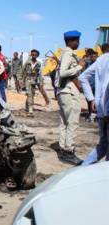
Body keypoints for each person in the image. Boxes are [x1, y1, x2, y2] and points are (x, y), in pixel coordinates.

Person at [56, 30, 86, 165]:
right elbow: (63, 73)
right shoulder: (68, 53)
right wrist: (79, 66)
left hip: (63, 91)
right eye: (77, 41)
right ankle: (69, 151)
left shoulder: (64, 53)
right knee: (72, 121)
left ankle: (63, 149)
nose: (78, 43)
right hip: (68, 91)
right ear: (70, 41)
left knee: (64, 122)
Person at [80, 43, 109, 165]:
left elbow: (82, 77)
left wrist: (92, 99)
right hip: (106, 110)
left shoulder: (100, 60)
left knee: (103, 144)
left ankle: (83, 168)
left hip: (101, 110)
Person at [22, 49, 42, 115]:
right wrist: (21, 80)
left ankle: (27, 106)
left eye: (35, 55)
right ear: (31, 55)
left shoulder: (38, 64)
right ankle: (30, 109)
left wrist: (40, 82)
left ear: (37, 56)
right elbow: (22, 70)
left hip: (34, 80)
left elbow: (39, 74)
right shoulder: (27, 62)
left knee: (32, 94)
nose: (34, 56)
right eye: (32, 55)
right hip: (27, 79)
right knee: (29, 94)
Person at [84, 50, 99, 122]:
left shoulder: (99, 64)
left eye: (95, 57)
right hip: (88, 86)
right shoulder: (88, 64)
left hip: (97, 86)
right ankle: (90, 114)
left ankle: (96, 115)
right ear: (90, 57)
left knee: (96, 101)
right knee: (89, 100)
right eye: (92, 57)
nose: (94, 58)